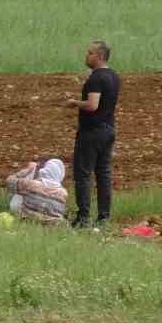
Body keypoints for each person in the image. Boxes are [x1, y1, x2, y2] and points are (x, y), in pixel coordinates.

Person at [64, 39, 121, 228]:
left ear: (100, 56)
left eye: (90, 53)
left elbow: (92, 105)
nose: (86, 56)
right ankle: (104, 217)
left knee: (83, 174)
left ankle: (83, 218)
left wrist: (74, 103)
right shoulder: (114, 76)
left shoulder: (96, 78)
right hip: (108, 129)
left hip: (91, 132)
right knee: (103, 174)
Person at [5, 157, 68, 224]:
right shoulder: (63, 193)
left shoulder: (31, 184)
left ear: (45, 169)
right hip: (53, 224)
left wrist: (28, 170)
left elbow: (9, 181)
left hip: (28, 220)